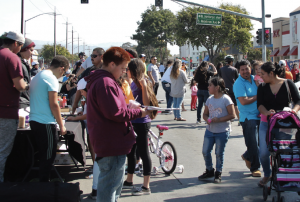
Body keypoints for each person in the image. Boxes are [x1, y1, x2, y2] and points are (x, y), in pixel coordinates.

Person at [85, 47, 151, 202]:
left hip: (109, 142)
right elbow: (116, 113)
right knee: (110, 188)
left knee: (111, 186)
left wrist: (128, 108)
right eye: (122, 68)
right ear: (112, 64)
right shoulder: (106, 83)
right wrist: (139, 112)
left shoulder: (103, 81)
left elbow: (113, 110)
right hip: (111, 144)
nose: (123, 72)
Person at [257, 62, 300, 187]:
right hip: (266, 123)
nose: (261, 77)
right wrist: (267, 112)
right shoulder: (262, 87)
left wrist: (294, 111)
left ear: (271, 73)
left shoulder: (288, 83)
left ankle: (282, 176)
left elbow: (298, 100)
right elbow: (259, 105)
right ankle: (267, 174)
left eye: (263, 74)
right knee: (264, 153)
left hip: (284, 125)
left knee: (283, 152)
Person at [29, 55, 69, 182]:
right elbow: (54, 104)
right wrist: (61, 125)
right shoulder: (51, 78)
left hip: (35, 119)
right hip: (46, 122)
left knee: (43, 155)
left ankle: (43, 183)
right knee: (48, 156)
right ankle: (44, 185)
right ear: (62, 69)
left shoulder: (38, 76)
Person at [124, 58, 158, 196]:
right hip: (133, 121)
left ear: (133, 70)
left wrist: (144, 87)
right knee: (131, 152)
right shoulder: (133, 82)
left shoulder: (144, 82)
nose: (126, 71)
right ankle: (129, 180)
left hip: (142, 122)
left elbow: (146, 103)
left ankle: (146, 186)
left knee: (144, 153)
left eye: (128, 69)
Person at [0, 31, 27, 183]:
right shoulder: (11, 57)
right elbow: (19, 85)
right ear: (16, 44)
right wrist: (27, 85)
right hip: (5, 110)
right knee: (2, 152)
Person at [198, 77, 235, 183]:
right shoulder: (209, 99)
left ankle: (218, 173)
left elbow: (232, 115)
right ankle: (209, 170)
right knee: (205, 151)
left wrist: (219, 119)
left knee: (219, 153)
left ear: (217, 87)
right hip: (210, 130)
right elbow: (205, 114)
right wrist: (207, 119)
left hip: (222, 131)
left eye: (210, 85)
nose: (208, 87)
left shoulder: (226, 99)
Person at [233, 59, 261, 177]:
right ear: (239, 71)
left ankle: (247, 155)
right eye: (242, 69)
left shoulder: (256, 79)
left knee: (263, 143)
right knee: (253, 143)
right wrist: (258, 96)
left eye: (247, 69)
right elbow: (243, 101)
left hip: (261, 114)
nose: (245, 71)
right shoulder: (238, 83)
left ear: (251, 68)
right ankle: (255, 168)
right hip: (248, 117)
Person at [71, 47, 105, 114]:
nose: (92, 58)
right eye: (91, 56)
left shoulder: (107, 70)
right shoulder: (89, 70)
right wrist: (75, 104)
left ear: (102, 57)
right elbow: (80, 87)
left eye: (94, 56)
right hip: (89, 107)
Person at [220, 55, 240, 125]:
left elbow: (219, 79)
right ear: (231, 61)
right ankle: (240, 120)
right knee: (235, 105)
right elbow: (238, 80)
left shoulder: (221, 69)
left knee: (224, 105)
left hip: (224, 89)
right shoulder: (234, 69)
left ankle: (226, 119)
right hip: (232, 89)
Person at [17, 38, 35, 109]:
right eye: (30, 50)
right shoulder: (18, 63)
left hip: (23, 100)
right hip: (21, 101)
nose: (32, 53)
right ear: (23, 49)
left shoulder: (22, 63)